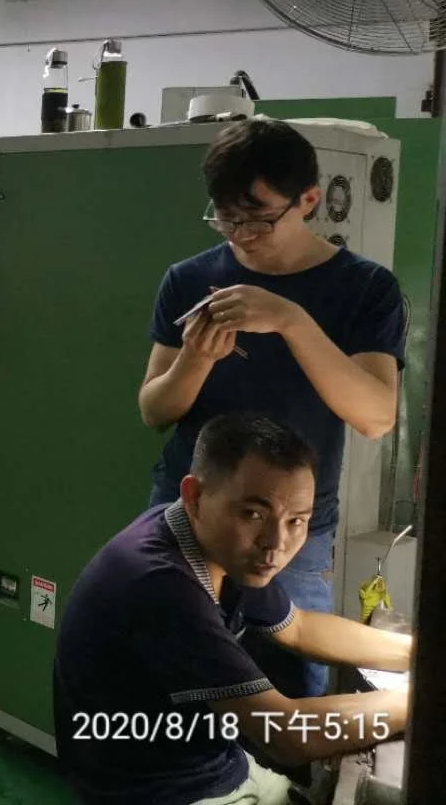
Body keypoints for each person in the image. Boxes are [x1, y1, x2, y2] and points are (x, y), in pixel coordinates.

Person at [138, 118, 405, 698]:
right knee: (175, 676)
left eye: (256, 218)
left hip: (293, 533)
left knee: (288, 681)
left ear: (308, 200)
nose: (239, 234)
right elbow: (154, 409)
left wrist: (290, 321)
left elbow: (375, 415)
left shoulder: (365, 289)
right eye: (224, 217)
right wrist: (195, 361)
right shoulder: (190, 280)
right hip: (193, 516)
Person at [53, 412, 412, 805]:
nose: (275, 542)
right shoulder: (160, 585)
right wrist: (418, 699)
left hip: (213, 762)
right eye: (253, 514)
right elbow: (287, 735)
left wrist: (416, 653)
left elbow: (300, 628)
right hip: (162, 791)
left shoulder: (212, 543)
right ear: (194, 497)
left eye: (297, 521)